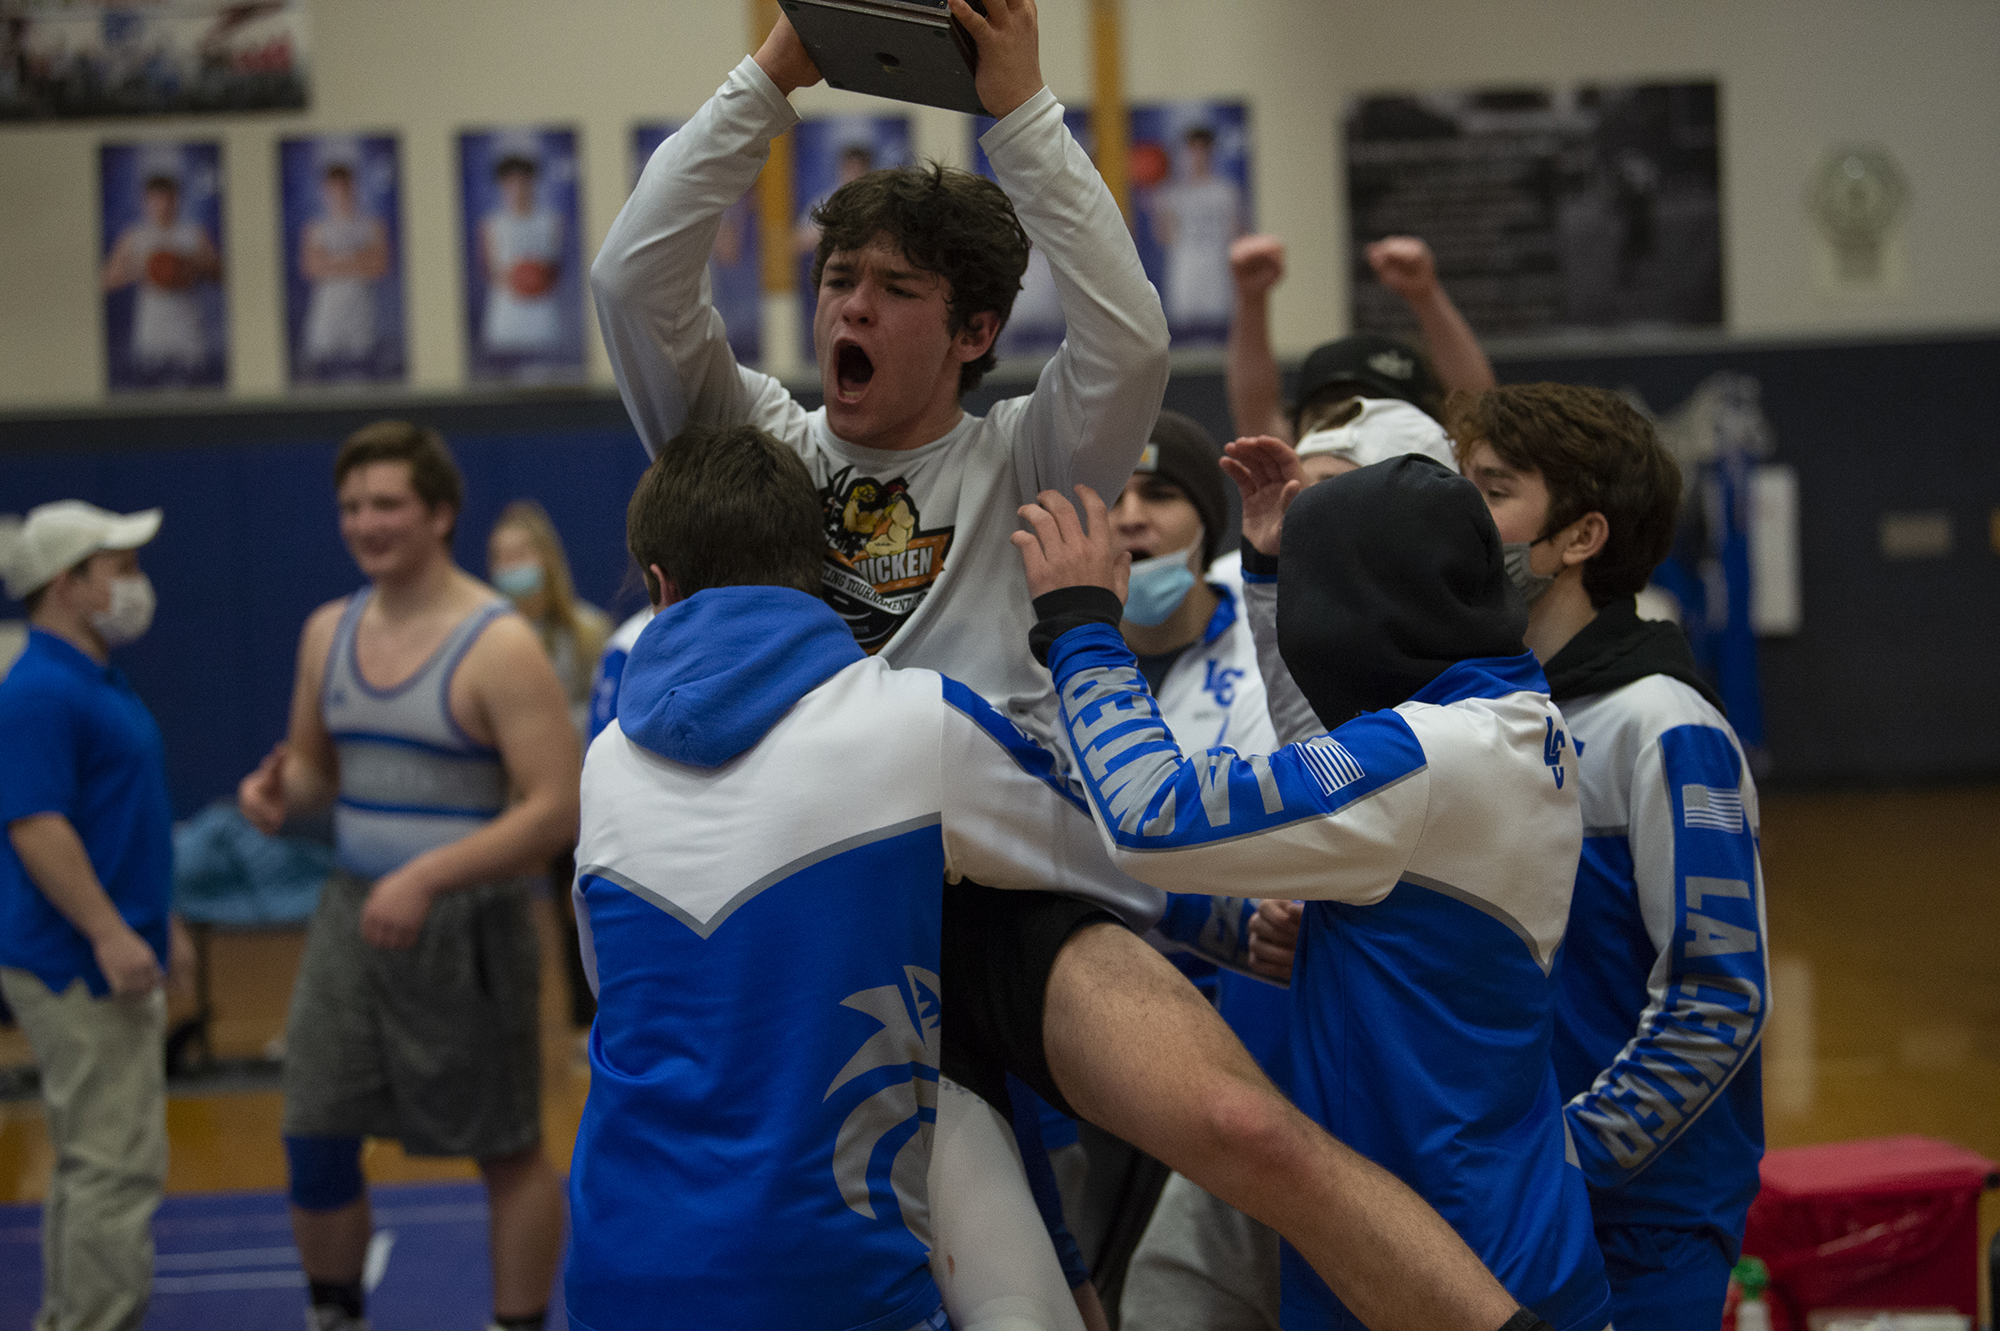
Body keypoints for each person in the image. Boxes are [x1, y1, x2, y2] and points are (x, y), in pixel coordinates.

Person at [1011, 458, 1614, 1331]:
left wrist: (1080, 627)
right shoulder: (1513, 712)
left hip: (1441, 1258)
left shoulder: (1427, 760)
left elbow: (1153, 815)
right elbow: (1343, 767)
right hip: (1493, 1223)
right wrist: (1267, 576)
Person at [237, 421, 579, 1331]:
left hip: (469, 926)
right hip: (353, 918)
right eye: (351, 506)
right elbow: (319, 769)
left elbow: (557, 809)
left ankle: (518, 1322)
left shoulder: (499, 644)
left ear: (439, 514)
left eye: (386, 503)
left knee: (507, 1150)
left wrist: (428, 875)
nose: (365, 523)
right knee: (312, 1132)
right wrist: (280, 791)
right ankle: (336, 1314)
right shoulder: (327, 632)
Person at [1451, 384, 1769, 1331]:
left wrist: (1564, 1155)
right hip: (1504, 1202)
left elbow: (1719, 998)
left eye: (1493, 490)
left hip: (1641, 1222)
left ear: (1581, 536)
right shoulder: (1485, 718)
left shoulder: (1666, 727)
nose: (1462, 516)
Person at [0, 499, 191, 1331]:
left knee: (97, 1162)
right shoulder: (40, 689)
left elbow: (119, 816)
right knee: (113, 1166)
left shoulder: (89, 676)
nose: (135, 585)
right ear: (68, 583)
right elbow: (37, 824)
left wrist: (159, 922)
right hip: (73, 958)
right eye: (120, 568)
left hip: (104, 944)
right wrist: (110, 933)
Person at [1224, 233, 1490, 445]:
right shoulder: (1299, 480)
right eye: (1329, 416)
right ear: (1299, 434)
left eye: (1381, 412)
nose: (1354, 431)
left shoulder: (1442, 477)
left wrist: (1426, 295)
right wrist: (1251, 299)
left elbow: (1476, 411)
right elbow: (1258, 420)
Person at [485, 499, 612, 740]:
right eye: (501, 557)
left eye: (519, 554)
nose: (510, 566)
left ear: (547, 558)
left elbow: (604, 713)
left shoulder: (590, 630)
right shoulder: (485, 636)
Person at [101, 160, 222, 377]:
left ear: (177, 199)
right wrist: (146, 268)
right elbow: (106, 280)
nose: (163, 205)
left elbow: (221, 276)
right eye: (156, 199)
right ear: (145, 202)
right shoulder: (133, 237)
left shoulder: (194, 234)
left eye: (169, 198)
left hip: (188, 332)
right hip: (151, 333)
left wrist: (191, 264)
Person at [299, 151, 390, 373]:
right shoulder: (314, 229)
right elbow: (311, 268)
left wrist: (332, 261)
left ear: (354, 187)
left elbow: (378, 267)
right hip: (325, 317)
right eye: (334, 189)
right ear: (325, 191)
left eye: (344, 188)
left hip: (361, 316)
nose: (340, 194)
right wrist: (357, 258)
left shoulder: (373, 226)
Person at [1149, 125, 1244, 334]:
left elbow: (1236, 238)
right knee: (1184, 336)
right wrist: (1157, 209)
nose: (1197, 156)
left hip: (1216, 276)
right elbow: (1165, 238)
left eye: (1202, 150)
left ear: (1211, 152)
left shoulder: (1225, 192)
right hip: (1186, 275)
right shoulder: (1172, 195)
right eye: (1192, 150)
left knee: (1219, 335)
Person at [480, 137, 564, 356]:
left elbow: (557, 270)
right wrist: (516, 278)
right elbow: (490, 271)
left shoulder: (551, 222)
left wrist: (534, 278)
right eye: (510, 182)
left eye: (523, 181)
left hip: (541, 315)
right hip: (506, 315)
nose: (517, 188)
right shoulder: (491, 225)